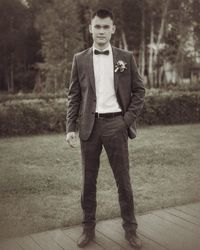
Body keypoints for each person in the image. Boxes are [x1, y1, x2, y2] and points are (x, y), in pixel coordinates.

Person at [66, 8, 145, 248]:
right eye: (97, 27)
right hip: (89, 127)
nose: (101, 31)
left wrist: (125, 120)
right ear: (91, 29)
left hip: (116, 125)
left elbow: (139, 92)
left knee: (123, 180)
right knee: (88, 182)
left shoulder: (126, 57)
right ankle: (87, 230)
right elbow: (74, 95)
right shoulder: (79, 59)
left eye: (105, 27)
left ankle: (131, 231)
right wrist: (70, 126)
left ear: (112, 29)